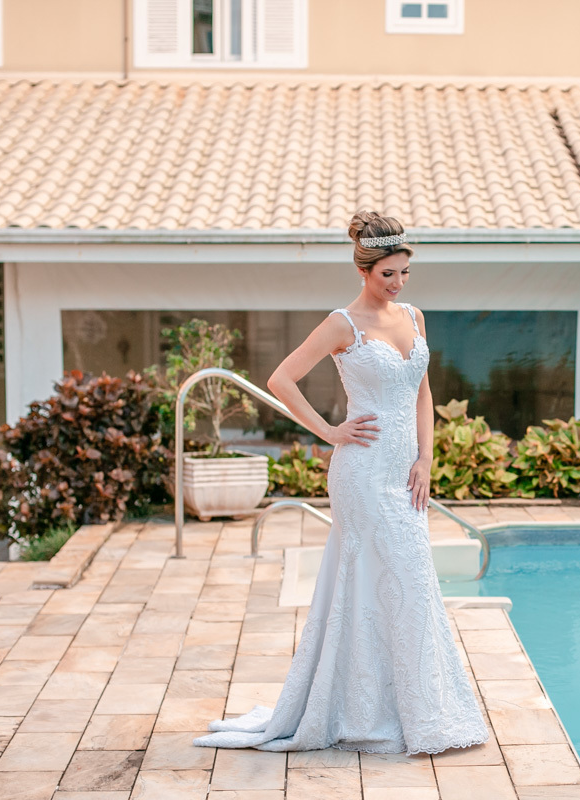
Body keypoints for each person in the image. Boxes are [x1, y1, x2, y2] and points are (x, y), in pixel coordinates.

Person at [193, 211, 490, 755]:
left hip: (405, 473)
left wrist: (427, 458)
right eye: (387, 275)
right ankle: (364, 710)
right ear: (363, 271)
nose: (397, 283)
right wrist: (331, 431)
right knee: (385, 580)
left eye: (404, 273)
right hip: (362, 473)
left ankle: (409, 705)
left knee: (409, 583)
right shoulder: (342, 324)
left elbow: (423, 394)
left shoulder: (415, 317)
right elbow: (281, 379)